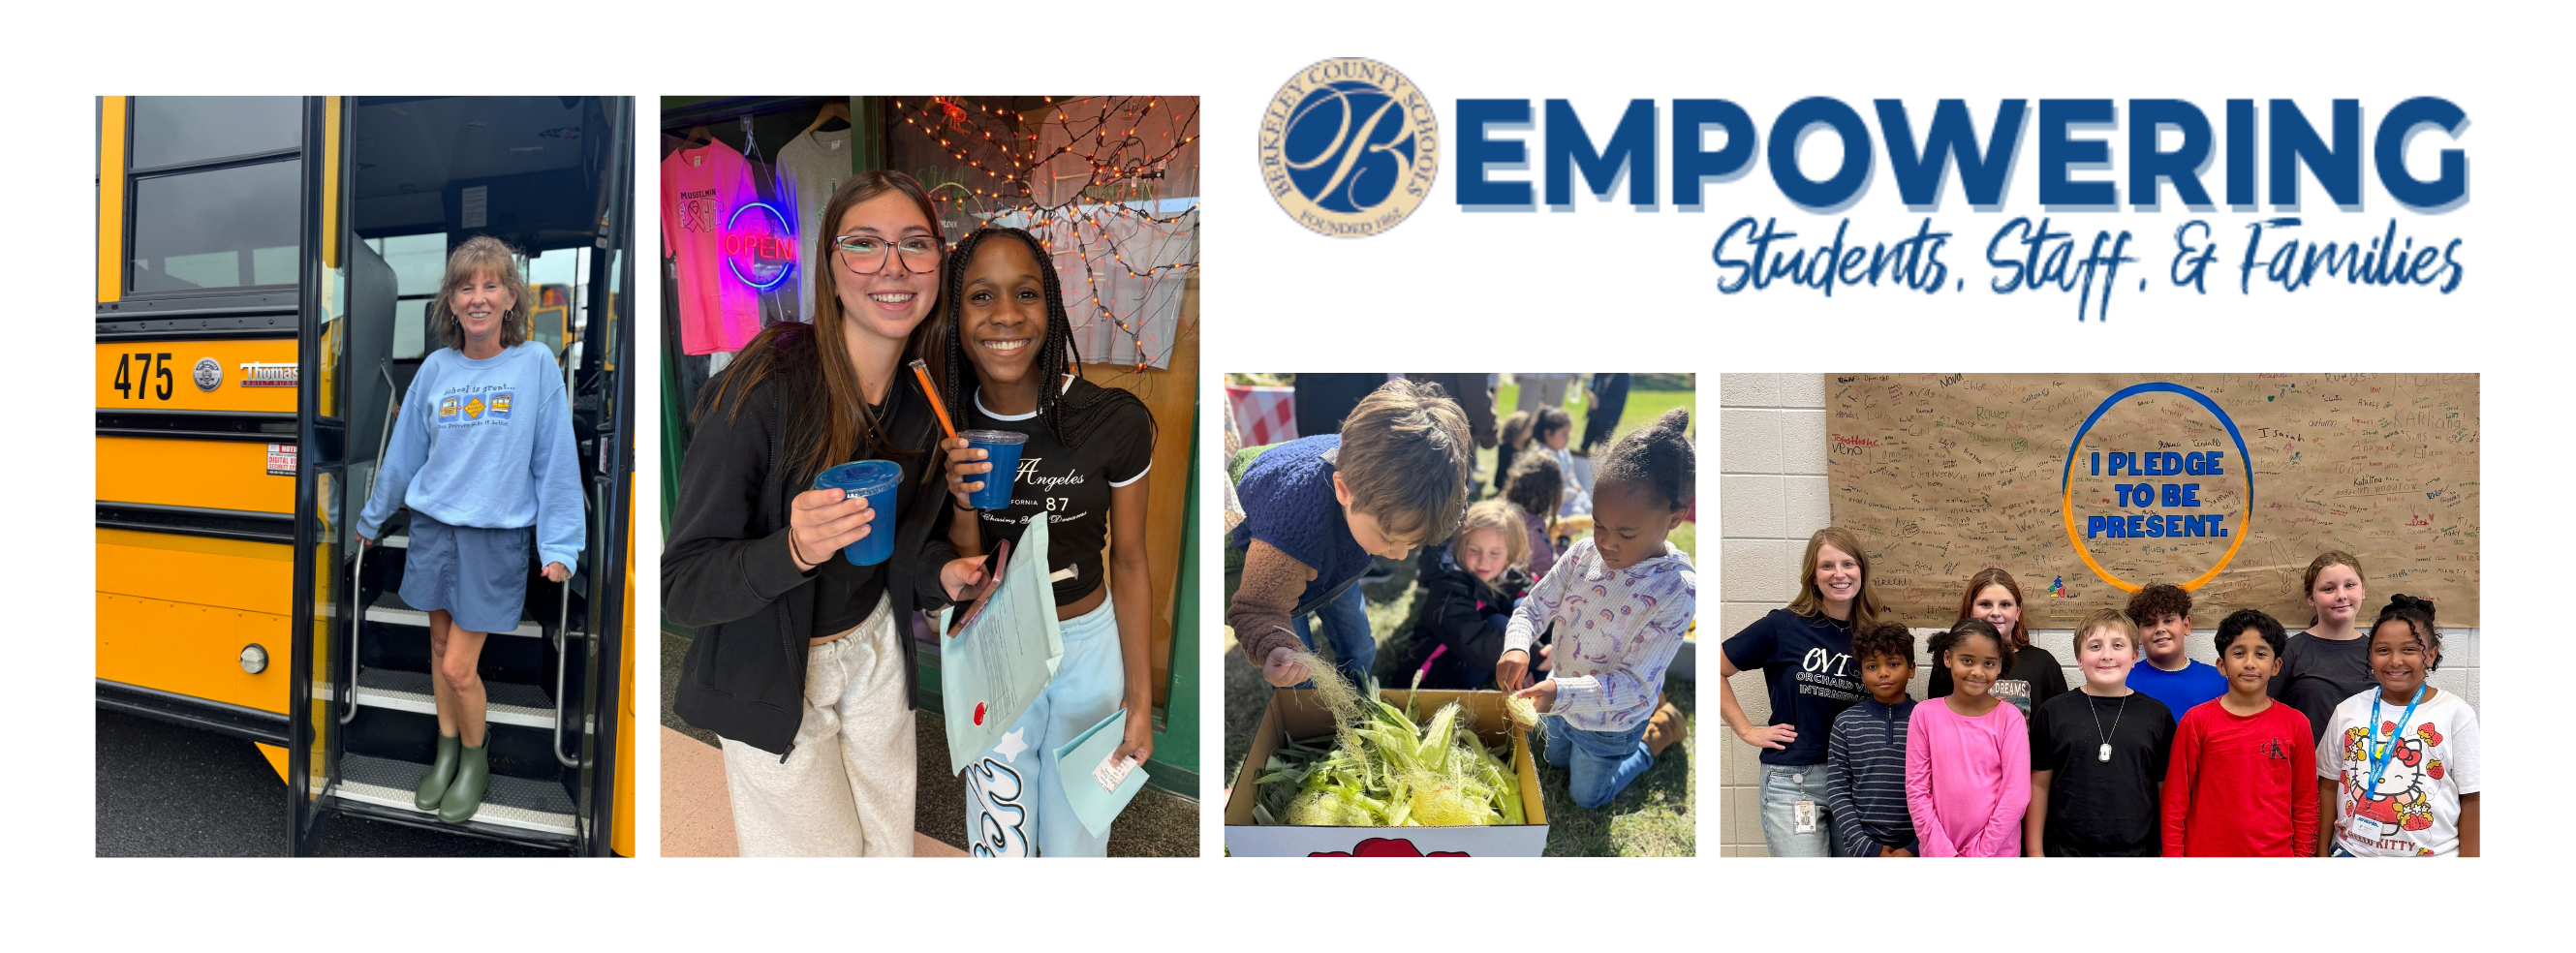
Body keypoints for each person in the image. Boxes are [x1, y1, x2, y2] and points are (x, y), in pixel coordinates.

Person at [666, 171, 985, 857]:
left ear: (938, 265)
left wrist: (943, 573)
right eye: (864, 245)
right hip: (771, 670)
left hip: (875, 648)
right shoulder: (763, 388)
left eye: (915, 245)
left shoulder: (923, 391)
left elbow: (903, 545)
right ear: (831, 268)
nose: (893, 268)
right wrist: (793, 549)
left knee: (887, 845)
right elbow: (682, 586)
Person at [931, 227, 1158, 856]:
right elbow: (961, 568)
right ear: (956, 312)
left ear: (1050, 306)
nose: (1005, 315)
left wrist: (1140, 702)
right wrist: (958, 497)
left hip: (1088, 646)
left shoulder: (1112, 420)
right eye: (981, 296)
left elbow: (1132, 560)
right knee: (1000, 833)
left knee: (1078, 836)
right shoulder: (947, 424)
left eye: (1025, 293)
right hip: (993, 642)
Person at [354, 235, 583, 825]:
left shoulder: (535, 365)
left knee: (459, 666)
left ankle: (475, 759)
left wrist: (560, 545)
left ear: (511, 296)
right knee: (436, 650)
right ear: (450, 302)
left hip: (494, 538)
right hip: (433, 527)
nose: (477, 297)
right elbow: (404, 455)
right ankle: (446, 750)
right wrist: (372, 519)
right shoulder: (435, 368)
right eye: (465, 286)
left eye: (490, 285)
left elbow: (555, 460)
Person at [1497, 410, 1694, 809]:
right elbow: (1535, 606)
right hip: (1562, 695)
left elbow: (1633, 684)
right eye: (1599, 523)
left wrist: (1558, 693)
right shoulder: (1584, 552)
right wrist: (1516, 645)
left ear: (1674, 518)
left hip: (1611, 722)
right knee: (1553, 760)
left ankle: (1656, 736)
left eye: (1625, 533)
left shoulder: (1677, 590)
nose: (1606, 542)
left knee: (1587, 798)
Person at [1229, 380, 1475, 692]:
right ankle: (1312, 720)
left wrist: (1387, 538)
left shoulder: (1375, 475)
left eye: (1411, 543)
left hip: (1334, 551)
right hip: (1283, 565)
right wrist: (1275, 646)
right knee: (1302, 670)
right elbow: (1259, 608)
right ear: (1344, 490)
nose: (1399, 555)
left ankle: (1360, 696)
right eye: (1388, 539)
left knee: (1360, 645)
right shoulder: (1288, 533)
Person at [1719, 526, 1879, 856]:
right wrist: (1747, 730)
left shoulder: (1873, 634)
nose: (1839, 574)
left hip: (1857, 781)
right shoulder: (1783, 626)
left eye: (1848, 564)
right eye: (1827, 566)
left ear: (1861, 570)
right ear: (1813, 575)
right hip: (1795, 781)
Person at [2316, 595, 2480, 857]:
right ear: (2370, 655)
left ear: (2431, 655)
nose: (2395, 661)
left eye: (2409, 649)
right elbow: (2328, 784)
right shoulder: (2347, 711)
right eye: (2383, 650)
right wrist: (2321, 852)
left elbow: (2472, 798)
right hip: (2351, 852)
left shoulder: (2456, 715)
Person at [2161, 608, 2318, 857]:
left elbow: (2306, 803)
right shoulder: (2196, 721)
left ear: (2276, 665)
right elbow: (2175, 801)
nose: (2249, 663)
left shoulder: (2296, 724)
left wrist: (2302, 857)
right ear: (2221, 666)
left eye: (2260, 653)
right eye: (2238, 653)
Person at [2025, 609, 2175, 857]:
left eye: (2117, 645)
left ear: (2135, 656)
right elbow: (2038, 785)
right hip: (2064, 852)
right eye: (2095, 646)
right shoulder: (2054, 712)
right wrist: (2034, 851)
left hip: (2138, 853)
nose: (2107, 655)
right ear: (2079, 658)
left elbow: (2165, 790)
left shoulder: (2157, 716)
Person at [1904, 619, 2032, 857]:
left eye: (1988, 663)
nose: (1977, 672)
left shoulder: (2010, 718)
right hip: (1939, 854)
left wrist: (1980, 853)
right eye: (1967, 660)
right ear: (1948, 658)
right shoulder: (1923, 715)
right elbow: (1917, 790)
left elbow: (2016, 795)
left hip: (1996, 853)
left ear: (2000, 665)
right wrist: (1944, 852)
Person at [1396, 500, 1535, 691]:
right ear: (1461, 546)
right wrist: (1535, 656)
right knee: (1498, 623)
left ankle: (1544, 673)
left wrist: (1554, 640)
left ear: (1509, 555)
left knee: (1524, 605)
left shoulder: (1506, 575)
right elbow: (1475, 644)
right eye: (1474, 550)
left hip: (1473, 657)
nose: (1484, 561)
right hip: (1436, 677)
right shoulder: (1448, 591)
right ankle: (1536, 673)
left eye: (1495, 553)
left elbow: (1538, 599)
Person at [1825, 622, 1920, 857]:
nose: (1883, 672)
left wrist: (1914, 848)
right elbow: (1838, 791)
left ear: (1912, 669)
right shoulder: (1846, 723)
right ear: (1861, 673)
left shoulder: (1927, 720)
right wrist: (1867, 847)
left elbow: (1941, 790)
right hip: (1863, 849)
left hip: (1918, 848)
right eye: (1872, 666)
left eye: (1894, 664)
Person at [1928, 568, 2066, 715]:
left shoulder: (2044, 664)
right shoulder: (1950, 662)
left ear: (2018, 612)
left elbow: (2059, 725)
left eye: (2005, 604)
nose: (1995, 613)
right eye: (1985, 604)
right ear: (1970, 610)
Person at [2273, 551, 2374, 743]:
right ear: (2311, 598)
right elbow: (2267, 715)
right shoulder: (2289, 652)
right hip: (2308, 768)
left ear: (2363, 590)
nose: (2341, 595)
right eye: (2328, 589)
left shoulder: (2379, 652)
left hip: (2368, 766)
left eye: (2350, 585)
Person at [2125, 583, 2227, 718]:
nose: (2160, 629)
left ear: (2186, 625)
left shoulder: (2217, 680)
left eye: (2168, 620)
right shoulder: (2124, 680)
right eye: (2149, 623)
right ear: (2137, 634)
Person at [1502, 452, 1563, 581]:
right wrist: (1563, 542)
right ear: (1551, 495)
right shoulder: (1534, 528)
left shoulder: (1499, 510)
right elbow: (1550, 573)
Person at [1494, 410, 1533, 496]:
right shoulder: (1506, 449)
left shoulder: (1527, 448)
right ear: (1519, 428)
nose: (1531, 429)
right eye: (1528, 427)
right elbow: (1502, 471)